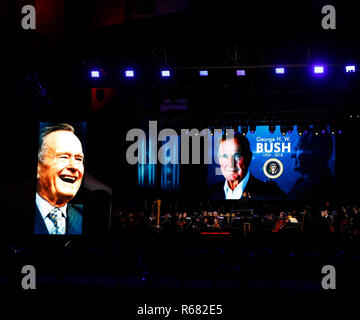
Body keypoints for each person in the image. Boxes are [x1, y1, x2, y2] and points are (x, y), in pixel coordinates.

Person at [34, 123, 84, 235]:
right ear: (38, 167)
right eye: (64, 157)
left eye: (79, 159)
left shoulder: (86, 217)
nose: (74, 166)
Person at [208, 133, 285, 200]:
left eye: (237, 156)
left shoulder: (272, 194)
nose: (231, 163)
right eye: (225, 156)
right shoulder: (209, 193)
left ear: (249, 157)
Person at [287, 130, 336, 200]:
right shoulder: (303, 181)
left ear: (313, 154)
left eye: (297, 149)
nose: (291, 155)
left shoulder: (320, 186)